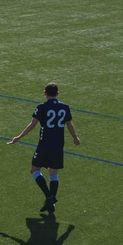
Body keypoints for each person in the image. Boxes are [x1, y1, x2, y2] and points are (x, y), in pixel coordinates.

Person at [8, 82, 79, 214]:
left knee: (34, 170)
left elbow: (32, 125)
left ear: (45, 93)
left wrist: (18, 137)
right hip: (58, 144)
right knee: (53, 173)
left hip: (45, 144)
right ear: (58, 93)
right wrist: (75, 137)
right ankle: (51, 203)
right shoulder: (65, 107)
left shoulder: (42, 107)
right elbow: (69, 124)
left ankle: (48, 196)